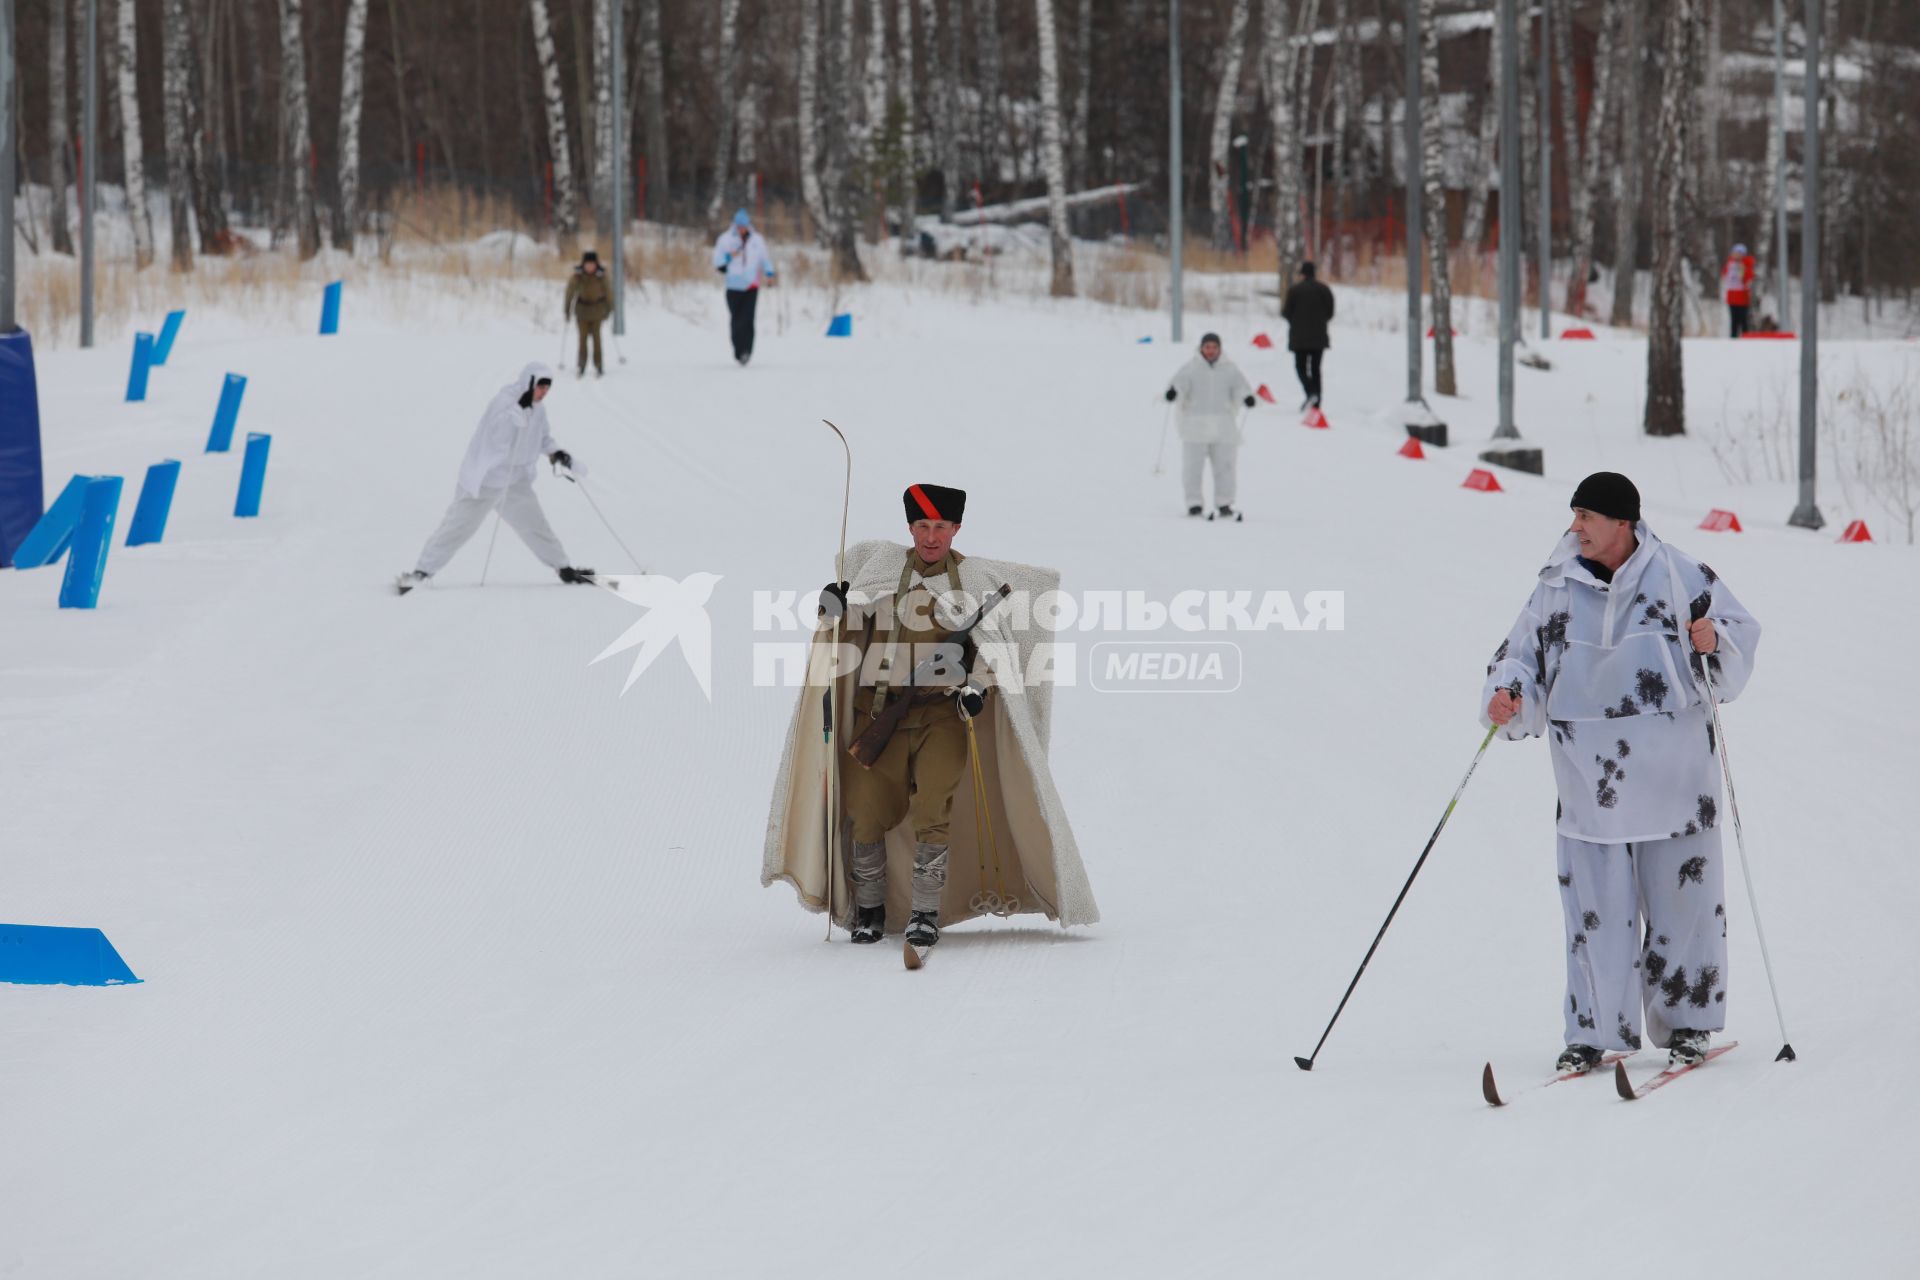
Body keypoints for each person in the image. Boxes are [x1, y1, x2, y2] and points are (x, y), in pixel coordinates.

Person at [1480, 472, 1761, 1073]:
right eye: (1574, 515)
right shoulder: (1556, 586)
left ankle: (1688, 1026)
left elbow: (1739, 639)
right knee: (1593, 910)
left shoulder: (1681, 575)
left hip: (1676, 780)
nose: (1574, 526)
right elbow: (1519, 655)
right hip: (1589, 781)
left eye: (1586, 516)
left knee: (1684, 907)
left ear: (1622, 523)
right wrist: (1507, 694)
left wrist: (1715, 639)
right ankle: (1590, 1031)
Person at [761, 484, 1099, 951]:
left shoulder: (973, 580)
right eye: (923, 526)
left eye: (941, 526)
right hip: (878, 712)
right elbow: (847, 625)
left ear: (956, 528)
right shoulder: (880, 568)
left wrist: (977, 688)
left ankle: (924, 914)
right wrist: (832, 605)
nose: (932, 536)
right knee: (864, 812)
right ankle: (871, 910)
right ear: (910, 528)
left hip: (941, 716)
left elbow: (992, 648)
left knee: (933, 811)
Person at [397, 362, 594, 593]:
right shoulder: (504, 403)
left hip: (516, 482)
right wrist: (515, 413)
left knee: (536, 525)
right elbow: (495, 439)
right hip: (486, 481)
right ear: (529, 383)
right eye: (540, 387)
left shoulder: (538, 409)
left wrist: (556, 453)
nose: (544, 393)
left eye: (547, 389)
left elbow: (542, 438)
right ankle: (420, 573)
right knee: (457, 526)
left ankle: (564, 569)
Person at [1164, 332, 1257, 520]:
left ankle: (1224, 503)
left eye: (1214, 347)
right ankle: (1194, 504)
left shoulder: (1230, 370)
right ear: (1201, 348)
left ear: (1220, 349)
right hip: (1195, 427)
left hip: (1223, 427)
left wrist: (1247, 398)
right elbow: (1178, 385)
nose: (1211, 351)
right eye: (1207, 347)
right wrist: (1173, 393)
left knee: (1226, 467)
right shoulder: (1190, 368)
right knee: (1192, 468)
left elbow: (1242, 388)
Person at [711, 209, 777, 365]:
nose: (742, 229)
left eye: (744, 226)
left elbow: (764, 258)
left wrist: (769, 273)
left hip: (751, 285)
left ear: (748, 225)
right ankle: (738, 350)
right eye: (739, 226)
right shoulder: (726, 240)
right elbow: (717, 261)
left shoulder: (757, 240)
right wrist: (730, 256)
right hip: (733, 286)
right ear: (734, 225)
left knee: (748, 319)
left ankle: (746, 352)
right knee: (736, 320)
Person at [1280, 260, 1334, 410]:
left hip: (1299, 338)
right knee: (1316, 369)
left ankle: (1311, 392)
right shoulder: (1324, 290)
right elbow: (1330, 313)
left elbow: (1286, 312)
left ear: (1302, 274)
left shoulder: (1294, 290)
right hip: (1319, 338)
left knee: (1301, 368)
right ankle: (1316, 402)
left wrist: (1296, 322)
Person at [564, 250, 612, 377]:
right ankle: (581, 364)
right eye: (587, 264)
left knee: (597, 340)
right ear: (583, 264)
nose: (590, 267)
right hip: (582, 312)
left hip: (597, 312)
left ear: (596, 264)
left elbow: (609, 294)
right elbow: (569, 293)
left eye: (592, 264)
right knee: (582, 339)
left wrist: (609, 309)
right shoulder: (577, 277)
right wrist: (567, 310)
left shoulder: (601, 277)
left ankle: (599, 365)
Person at [1721, 244, 1756, 338]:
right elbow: (1724, 275)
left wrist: (1744, 269)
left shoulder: (1746, 264)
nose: (1736, 255)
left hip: (1742, 298)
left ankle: (1746, 338)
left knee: (1743, 320)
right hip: (1732, 297)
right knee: (1734, 321)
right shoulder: (1730, 263)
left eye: (1738, 253)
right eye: (1734, 253)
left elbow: (1748, 279)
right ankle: (1733, 339)